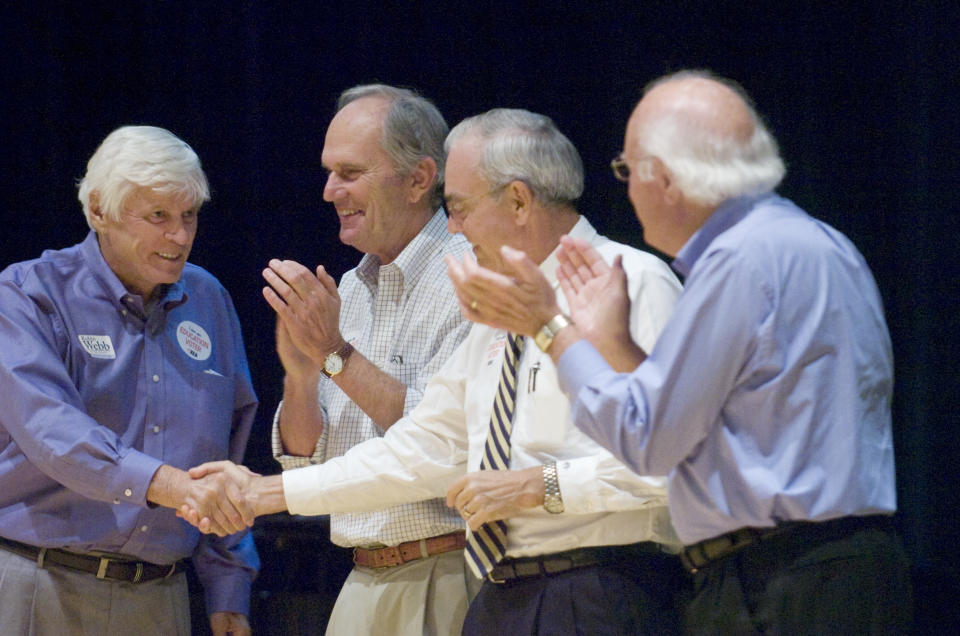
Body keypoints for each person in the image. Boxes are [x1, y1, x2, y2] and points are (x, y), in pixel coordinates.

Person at [188, 108, 688, 635]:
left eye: (460, 207)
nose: (452, 226)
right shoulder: (498, 321)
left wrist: (539, 485)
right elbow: (421, 447)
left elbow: (671, 464)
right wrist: (263, 494)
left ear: (518, 200)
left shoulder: (631, 282)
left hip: (602, 586)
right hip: (506, 594)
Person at [446, 70, 913, 634]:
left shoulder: (741, 262)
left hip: (791, 574)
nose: (627, 191)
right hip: (811, 564)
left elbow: (652, 444)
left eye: (626, 171)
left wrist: (548, 327)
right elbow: (696, 431)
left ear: (667, 174)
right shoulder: (804, 241)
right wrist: (614, 342)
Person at [0, 125, 259, 635]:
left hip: (160, 598)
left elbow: (227, 459)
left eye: (189, 216)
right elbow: (53, 432)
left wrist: (229, 584)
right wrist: (172, 486)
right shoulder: (27, 295)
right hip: (39, 582)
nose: (180, 236)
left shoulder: (209, 299)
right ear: (99, 211)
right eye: (158, 216)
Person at [261, 84, 475, 635]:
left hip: (451, 571)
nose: (331, 191)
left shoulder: (471, 277)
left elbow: (442, 439)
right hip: (360, 578)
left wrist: (335, 354)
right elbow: (306, 468)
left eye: (351, 173)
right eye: (329, 172)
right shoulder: (350, 291)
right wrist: (302, 375)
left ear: (420, 179)